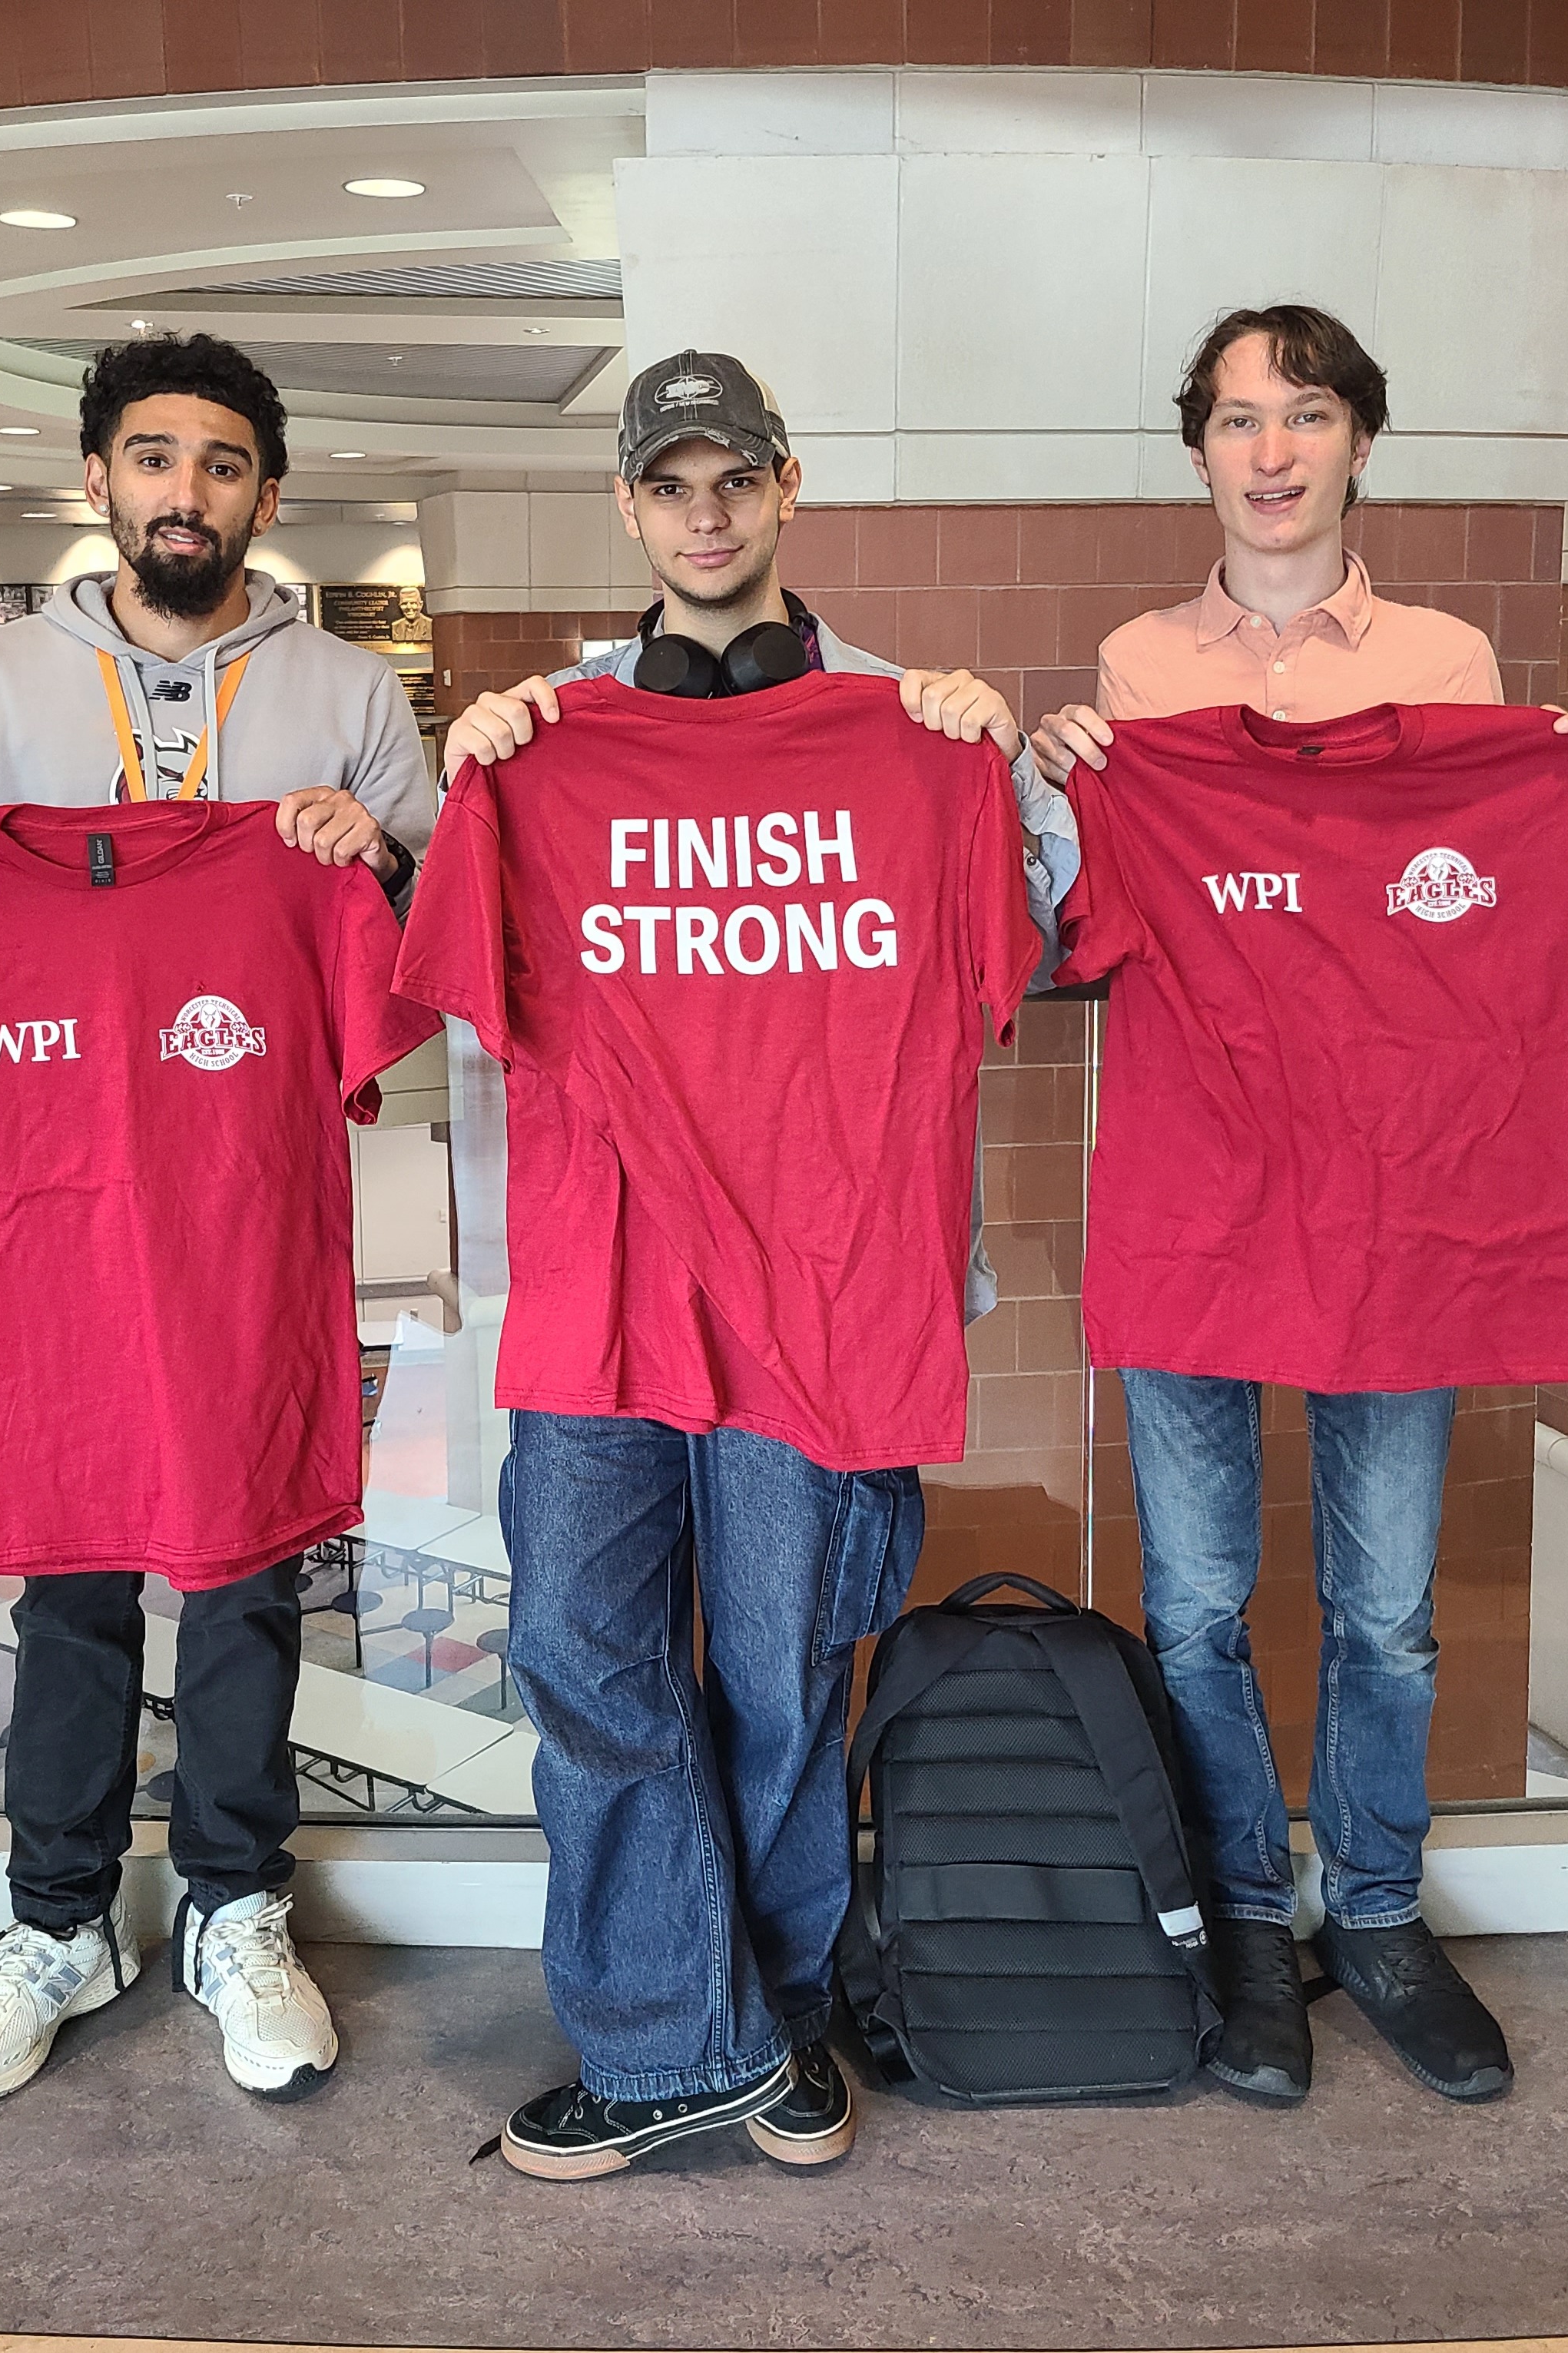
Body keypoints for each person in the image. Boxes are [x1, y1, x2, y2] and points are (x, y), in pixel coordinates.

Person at [416, 351, 1072, 2179]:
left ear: (788, 488)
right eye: (669, 485)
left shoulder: (905, 730)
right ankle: (684, 2035)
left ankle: (753, 2024)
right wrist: (473, 775)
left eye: (733, 480)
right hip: (603, 1277)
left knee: (784, 1667)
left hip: (821, 1279)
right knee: (577, 1644)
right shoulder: (547, 741)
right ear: (630, 509)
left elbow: (1039, 928)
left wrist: (995, 765)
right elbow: (457, 984)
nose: (703, 514)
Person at [1029, 305, 1568, 2109]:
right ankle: (1247, 1919)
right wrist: (1065, 796)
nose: (1274, 450)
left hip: (1407, 1207)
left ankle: (1373, 1913)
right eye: (1239, 421)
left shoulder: (1460, 671)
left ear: (1361, 440)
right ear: (1202, 452)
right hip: (1204, 1192)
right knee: (1202, 1600)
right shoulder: (1133, 671)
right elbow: (1074, 923)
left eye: (1306, 414)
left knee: (1388, 1610)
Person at [0, 333, 435, 2113]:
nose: (188, 491)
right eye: (154, 458)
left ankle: (239, 1904)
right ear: (95, 480)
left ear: (264, 491)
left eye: (224, 464)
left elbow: (426, 943)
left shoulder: (349, 695)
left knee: (247, 1570)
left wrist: (372, 864)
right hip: (47, 1246)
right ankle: (58, 1922)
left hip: (246, 1226)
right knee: (69, 1579)